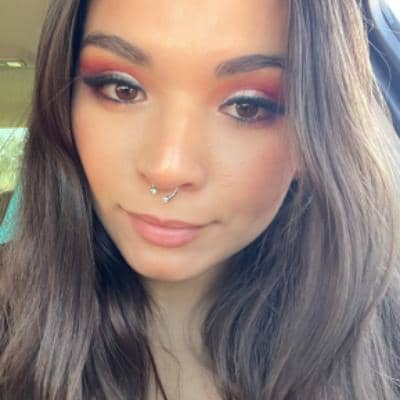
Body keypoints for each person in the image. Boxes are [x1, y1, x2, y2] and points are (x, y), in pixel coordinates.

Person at [1, 0, 400, 399]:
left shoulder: (386, 344)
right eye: (123, 89)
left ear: (315, 133)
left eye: (247, 106)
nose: (167, 168)